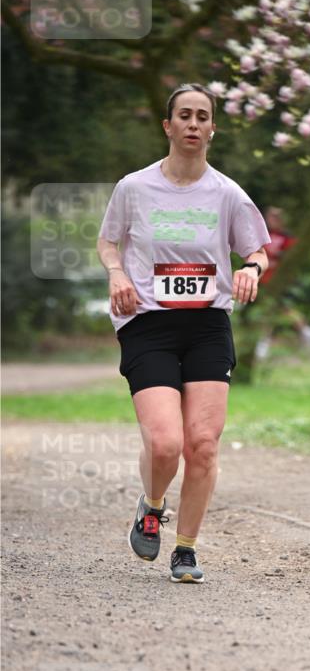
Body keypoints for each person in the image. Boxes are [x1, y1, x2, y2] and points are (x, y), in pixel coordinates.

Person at [96, 83, 270, 583]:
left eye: (203, 117)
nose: (194, 124)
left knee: (204, 444)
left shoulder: (227, 193)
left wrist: (252, 271)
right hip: (147, 322)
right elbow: (109, 243)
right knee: (167, 442)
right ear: (168, 127)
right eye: (184, 116)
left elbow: (257, 250)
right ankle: (152, 505)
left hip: (208, 325)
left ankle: (186, 549)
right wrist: (117, 273)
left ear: (212, 128)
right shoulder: (134, 187)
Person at [254, 206, 310, 359]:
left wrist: (279, 257)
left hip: (280, 281)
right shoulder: (263, 235)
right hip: (264, 280)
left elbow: (293, 257)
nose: (273, 220)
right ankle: (306, 331)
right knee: (272, 311)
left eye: (276, 217)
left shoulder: (287, 237)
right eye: (270, 217)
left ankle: (264, 344)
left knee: (279, 311)